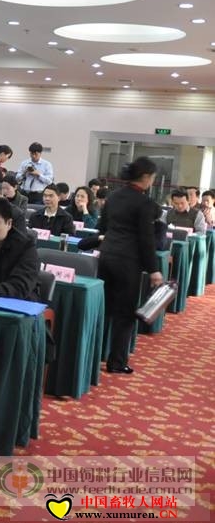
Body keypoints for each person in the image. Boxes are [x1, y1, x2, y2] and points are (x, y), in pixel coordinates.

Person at [96, 157, 163, 374]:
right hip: (127, 262)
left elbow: (102, 227)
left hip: (106, 256)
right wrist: (153, 269)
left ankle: (96, 356)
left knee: (105, 309)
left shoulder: (113, 196)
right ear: (146, 177)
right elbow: (146, 239)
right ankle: (116, 362)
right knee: (124, 314)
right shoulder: (144, 203)